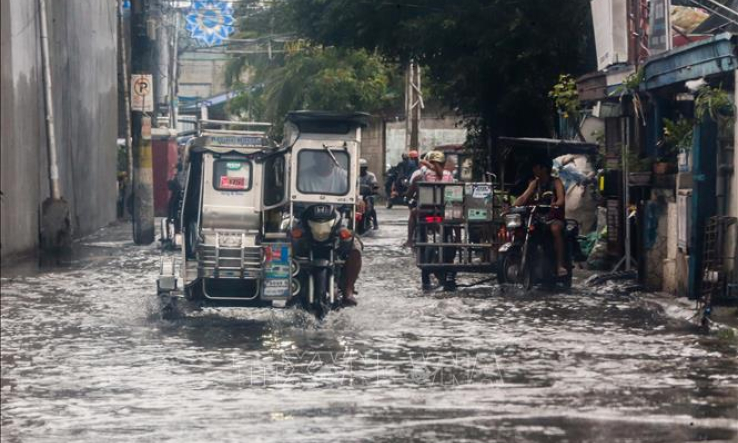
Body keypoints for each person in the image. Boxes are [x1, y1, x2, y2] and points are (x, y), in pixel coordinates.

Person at [513, 156, 567, 277]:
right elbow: (523, 197)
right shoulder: (534, 183)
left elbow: (561, 199)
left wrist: (555, 204)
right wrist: (513, 206)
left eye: (536, 167)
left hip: (553, 217)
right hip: (536, 217)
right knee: (523, 228)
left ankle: (560, 265)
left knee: (555, 229)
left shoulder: (556, 182)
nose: (534, 170)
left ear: (543, 169)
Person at [404, 150, 454, 247]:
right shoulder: (448, 174)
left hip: (426, 210)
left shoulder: (424, 174)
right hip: (444, 210)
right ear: (443, 163)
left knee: (413, 213)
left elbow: (410, 192)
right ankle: (458, 239)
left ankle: (409, 240)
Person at [359, 158, 379, 229]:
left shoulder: (371, 175)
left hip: (367, 195)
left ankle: (375, 222)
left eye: (363, 168)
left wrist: (374, 189)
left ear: (366, 168)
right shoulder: (354, 175)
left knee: (371, 206)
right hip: (357, 195)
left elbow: (374, 184)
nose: (361, 170)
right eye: (360, 168)